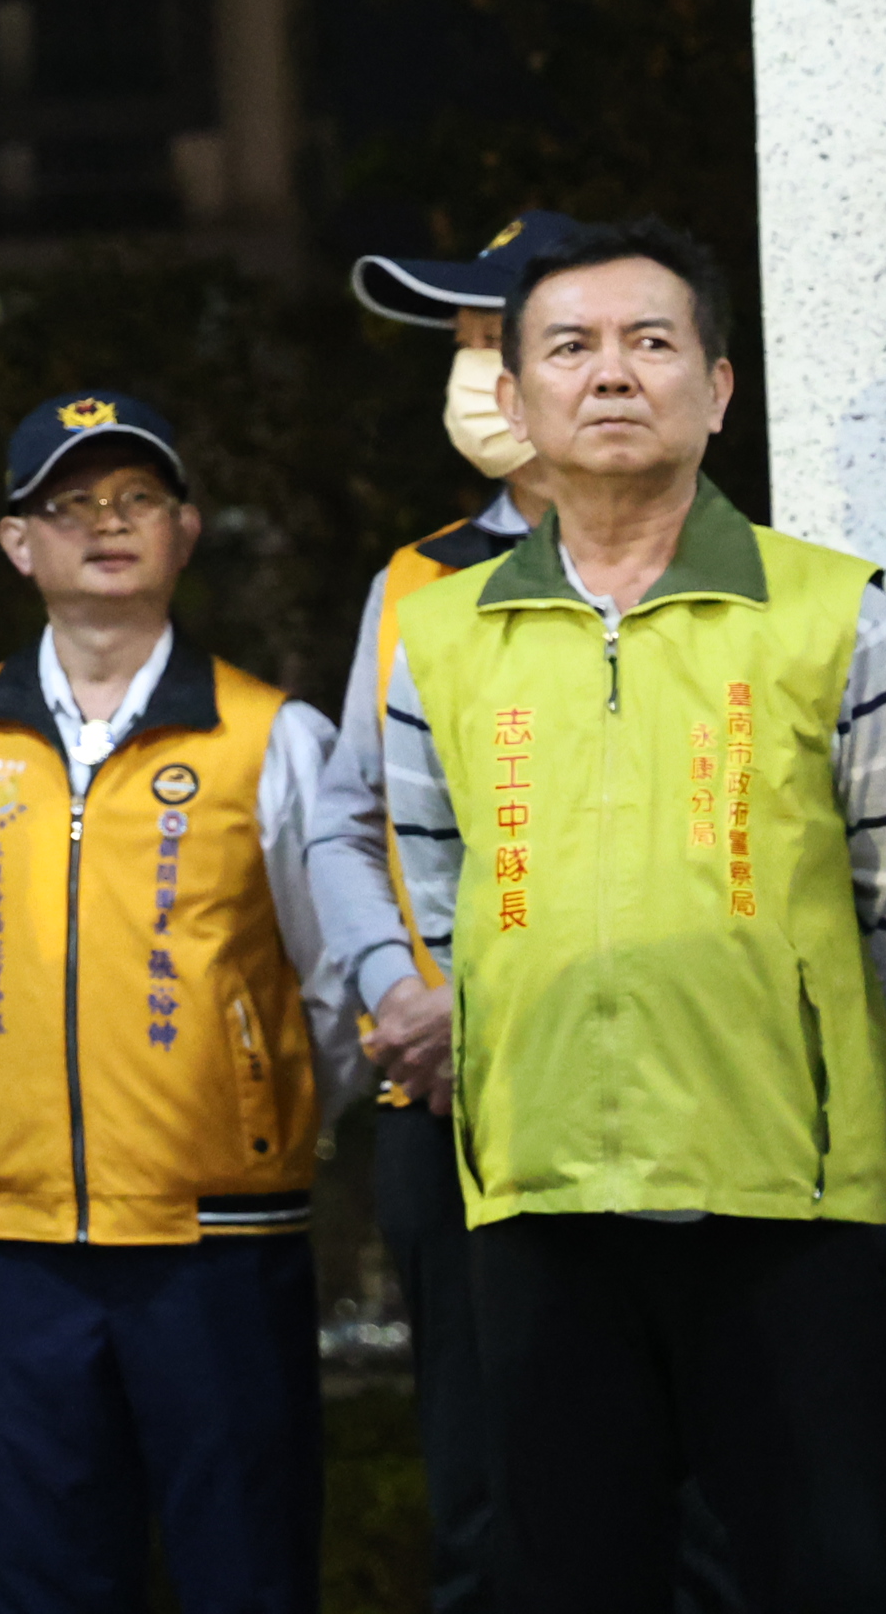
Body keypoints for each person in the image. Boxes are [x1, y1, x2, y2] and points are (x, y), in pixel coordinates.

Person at [382, 219, 886, 1614]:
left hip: (787, 1195)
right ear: (522, 400)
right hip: (543, 1192)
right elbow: (436, 889)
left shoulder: (837, 613)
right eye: (571, 348)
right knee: (568, 1580)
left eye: (651, 342)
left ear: (719, 389)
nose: (612, 375)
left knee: (825, 1574)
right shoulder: (442, 637)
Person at [0, 393, 348, 1614]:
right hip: (20, 1230)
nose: (106, 523)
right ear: (16, 541)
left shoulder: (276, 736)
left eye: (137, 497)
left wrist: (250, 1096)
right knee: (43, 1575)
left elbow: (331, 979)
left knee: (244, 1567)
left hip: (220, 1232)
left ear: (186, 531)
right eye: (68, 501)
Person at [312, 215, 566, 1614]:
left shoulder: (721, 567)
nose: (474, 374)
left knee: (681, 1488)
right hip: (443, 1096)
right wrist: (404, 995)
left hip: (642, 1092)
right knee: (476, 1490)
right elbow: (350, 819)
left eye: (496, 338)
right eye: (464, 345)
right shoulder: (418, 578)